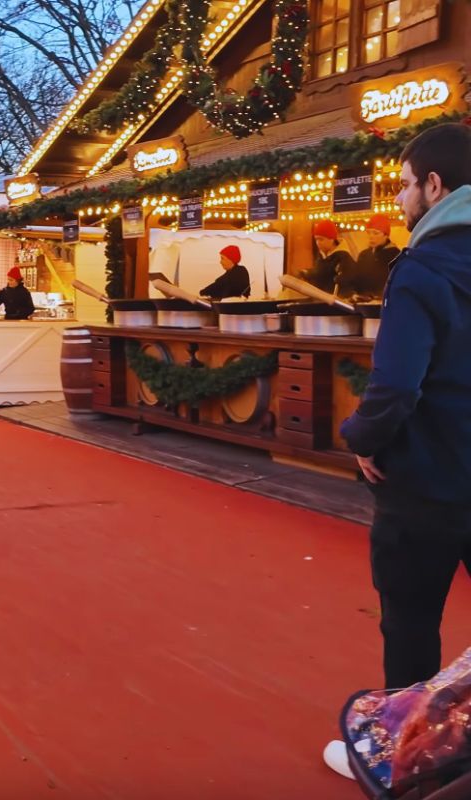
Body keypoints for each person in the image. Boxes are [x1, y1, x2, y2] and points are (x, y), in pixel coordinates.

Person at [325, 123, 471, 778]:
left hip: (428, 480)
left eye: (407, 184)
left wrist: (359, 439)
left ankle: (403, 758)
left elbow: (395, 387)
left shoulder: (421, 266)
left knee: (411, 625)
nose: (404, 196)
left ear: (434, 186)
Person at [349, 214, 402, 298]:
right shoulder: (363, 255)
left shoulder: (395, 255)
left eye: (375, 233)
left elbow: (399, 283)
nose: (371, 236)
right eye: (369, 232)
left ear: (386, 235)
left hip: (384, 304)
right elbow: (356, 280)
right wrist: (353, 293)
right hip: (363, 304)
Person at [300, 219, 357, 297]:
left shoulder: (343, 257)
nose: (318, 243)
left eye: (321, 239)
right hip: (321, 300)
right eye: (316, 239)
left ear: (331, 239)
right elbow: (320, 275)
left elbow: (349, 282)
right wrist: (307, 274)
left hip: (335, 303)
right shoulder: (321, 256)